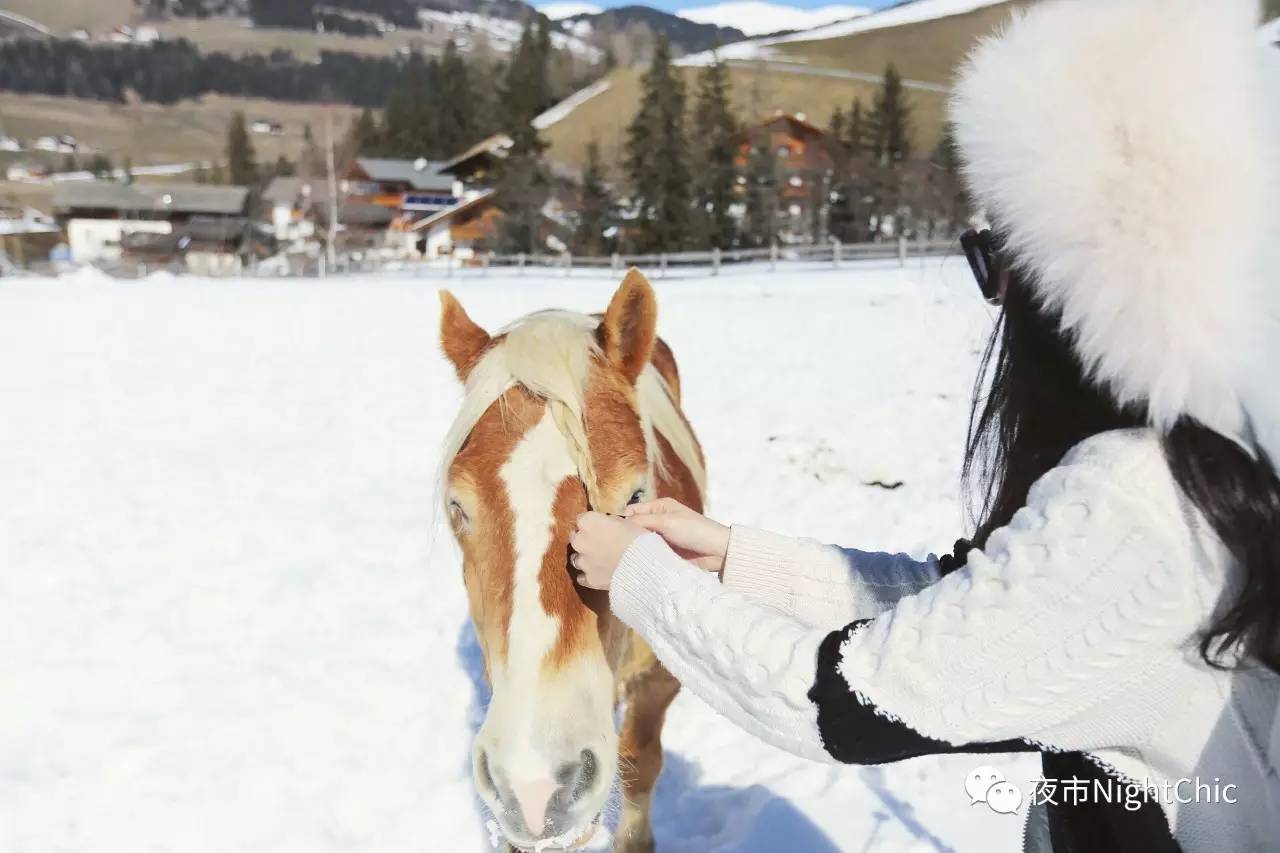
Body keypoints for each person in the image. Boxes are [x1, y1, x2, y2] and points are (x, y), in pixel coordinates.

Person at [567, 1, 1280, 851]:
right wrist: (732, 556)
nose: (994, 299)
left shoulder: (1135, 500)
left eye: (995, 259)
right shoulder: (1212, 461)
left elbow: (839, 701)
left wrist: (641, 577)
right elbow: (973, 607)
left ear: (1083, 280)